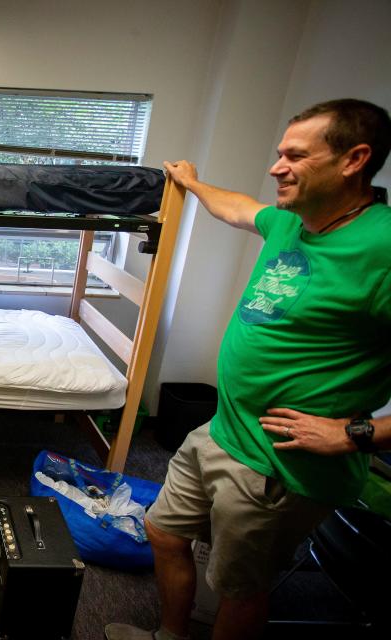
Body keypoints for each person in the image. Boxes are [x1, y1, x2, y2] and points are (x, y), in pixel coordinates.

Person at [106, 98, 391, 640]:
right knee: (163, 532)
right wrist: (192, 183)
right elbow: (235, 207)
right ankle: (171, 635)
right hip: (220, 432)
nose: (275, 167)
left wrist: (355, 434)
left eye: (295, 156)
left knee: (239, 588)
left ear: (355, 159)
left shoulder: (382, 249)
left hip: (277, 466)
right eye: (278, 153)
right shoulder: (291, 222)